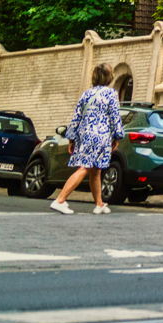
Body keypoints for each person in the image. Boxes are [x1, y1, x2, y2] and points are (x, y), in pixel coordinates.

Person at [50, 64, 123, 214]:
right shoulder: (111, 94)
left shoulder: (86, 94)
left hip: (85, 135)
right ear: (109, 77)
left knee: (95, 170)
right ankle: (60, 200)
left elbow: (76, 117)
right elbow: (115, 116)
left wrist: (71, 138)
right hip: (100, 135)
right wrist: (117, 136)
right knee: (85, 167)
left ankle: (99, 204)